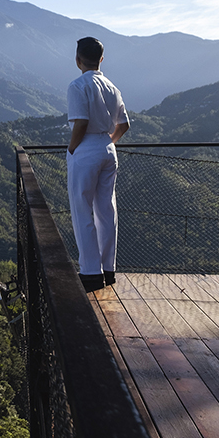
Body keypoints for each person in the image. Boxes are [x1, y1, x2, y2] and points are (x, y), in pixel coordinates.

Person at [67, 36, 130, 291]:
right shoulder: (112, 87)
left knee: (82, 209)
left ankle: (90, 271)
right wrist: (109, 142)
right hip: (108, 149)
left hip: (86, 149)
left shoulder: (78, 85)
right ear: (101, 59)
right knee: (107, 209)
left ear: (77, 59)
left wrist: (73, 149)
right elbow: (124, 124)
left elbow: (80, 122)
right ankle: (108, 268)